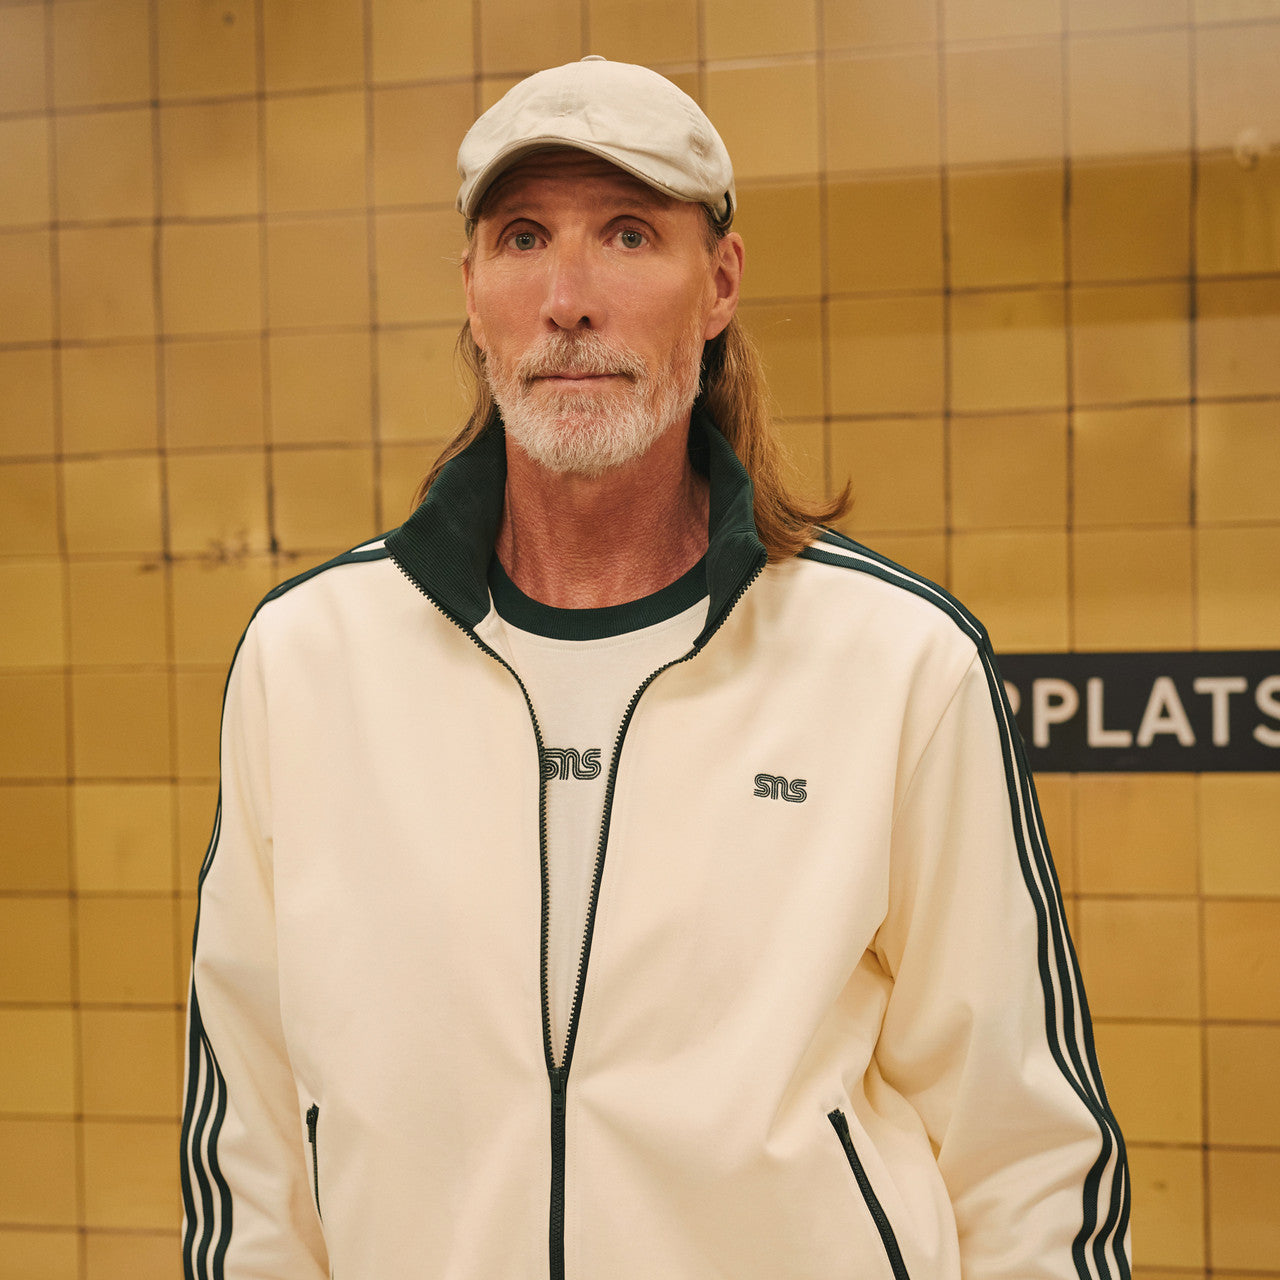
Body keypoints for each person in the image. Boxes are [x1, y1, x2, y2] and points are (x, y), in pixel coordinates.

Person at [181, 57, 1130, 1280]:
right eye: (522, 238)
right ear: (471, 290)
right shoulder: (308, 661)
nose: (566, 299)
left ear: (718, 283)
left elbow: (1024, 1154)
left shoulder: (896, 662)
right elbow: (250, 1142)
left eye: (627, 234)